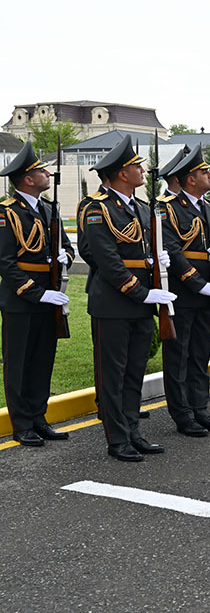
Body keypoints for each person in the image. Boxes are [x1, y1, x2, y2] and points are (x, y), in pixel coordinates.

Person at [82, 135, 176, 461]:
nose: (142, 169)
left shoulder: (143, 207)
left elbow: (148, 250)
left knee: (135, 371)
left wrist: (156, 271)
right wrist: (141, 291)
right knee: (113, 374)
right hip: (115, 302)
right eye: (136, 165)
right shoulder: (96, 208)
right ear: (122, 173)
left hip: (143, 300)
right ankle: (117, 439)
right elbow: (105, 258)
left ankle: (133, 431)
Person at [0, 141, 75, 447]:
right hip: (22, 300)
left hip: (50, 297)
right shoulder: (6, 213)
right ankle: (22, 424)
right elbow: (5, 262)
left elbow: (67, 249)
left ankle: (39, 417)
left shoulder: (49, 209)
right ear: (27, 179)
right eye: (41, 170)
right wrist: (36, 293)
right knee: (19, 363)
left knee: (43, 361)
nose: (47, 173)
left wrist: (64, 259)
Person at [159, 144, 210, 436]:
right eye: (205, 171)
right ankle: (182, 414)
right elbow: (173, 250)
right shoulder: (169, 209)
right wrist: (198, 284)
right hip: (184, 292)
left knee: (201, 354)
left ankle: (201, 408)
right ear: (190, 179)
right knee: (179, 356)